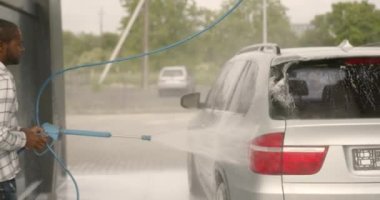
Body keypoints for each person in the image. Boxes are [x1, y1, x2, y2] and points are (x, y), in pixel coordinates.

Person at [0, 19, 47, 200]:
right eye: (18, 44)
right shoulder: (2, 79)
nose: (22, 49)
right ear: (1, 46)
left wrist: (22, 131)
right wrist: (26, 139)